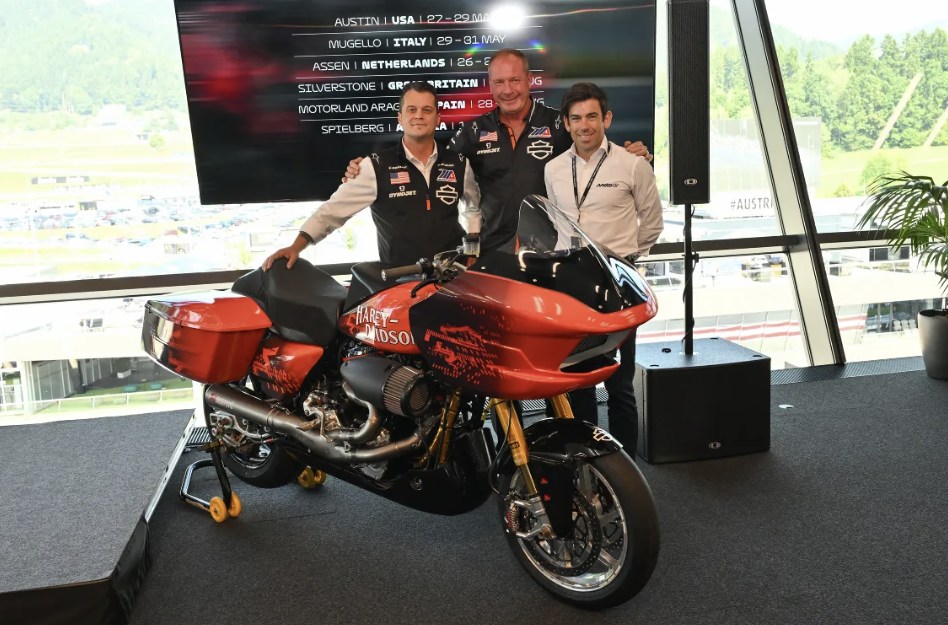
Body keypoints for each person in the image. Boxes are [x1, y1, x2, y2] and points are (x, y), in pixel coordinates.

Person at [345, 49, 651, 255]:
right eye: (499, 82)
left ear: (529, 81)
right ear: (490, 85)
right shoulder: (473, 131)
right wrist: (369, 169)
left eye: (515, 80)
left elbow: (595, 147)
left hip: (552, 249)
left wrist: (632, 152)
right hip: (494, 251)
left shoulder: (559, 123)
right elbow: (431, 162)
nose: (508, 90)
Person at [544, 82, 664, 458]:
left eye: (592, 116)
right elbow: (557, 225)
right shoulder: (553, 169)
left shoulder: (633, 164)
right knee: (578, 379)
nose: (585, 125)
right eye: (577, 118)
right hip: (571, 286)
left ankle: (624, 465)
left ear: (606, 119)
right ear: (566, 123)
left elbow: (652, 223)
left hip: (618, 285)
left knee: (620, 383)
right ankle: (587, 462)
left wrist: (626, 260)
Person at [263, 81, 481, 270]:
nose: (419, 116)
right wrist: (296, 246)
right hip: (400, 280)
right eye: (411, 109)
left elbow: (474, 208)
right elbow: (332, 212)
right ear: (400, 118)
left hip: (454, 278)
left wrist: (472, 248)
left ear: (438, 118)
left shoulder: (459, 163)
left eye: (427, 110)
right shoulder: (375, 167)